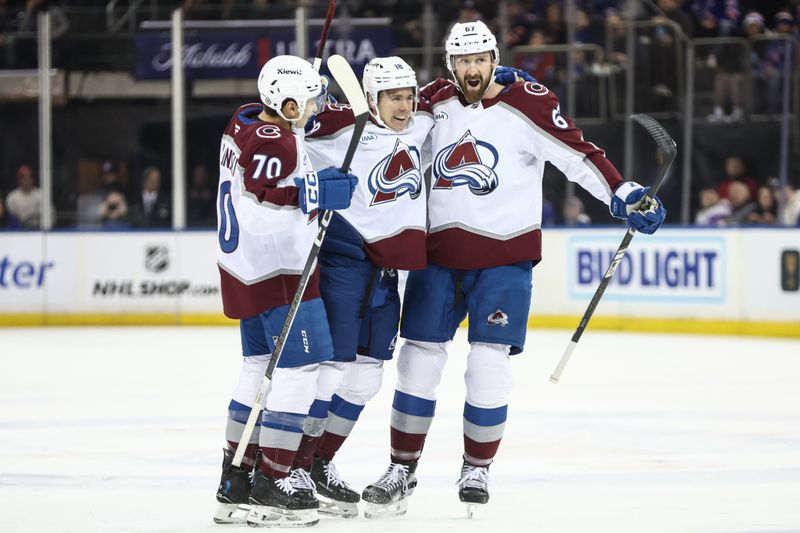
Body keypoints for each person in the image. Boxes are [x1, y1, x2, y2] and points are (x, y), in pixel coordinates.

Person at [359, 20, 666, 518]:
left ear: (494, 57)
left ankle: (476, 467)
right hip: (437, 256)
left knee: (488, 364)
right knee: (418, 362)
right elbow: (384, 121)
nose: (472, 68)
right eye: (463, 61)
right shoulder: (432, 100)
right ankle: (401, 470)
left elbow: (578, 154)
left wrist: (622, 191)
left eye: (480, 59)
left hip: (504, 259)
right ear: (450, 64)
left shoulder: (529, 102)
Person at [211, 55, 357, 528]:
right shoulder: (277, 142)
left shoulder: (244, 120)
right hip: (278, 273)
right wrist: (311, 194)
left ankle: (235, 477)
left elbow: (260, 172)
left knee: (257, 367)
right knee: (302, 371)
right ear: (288, 103)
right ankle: (272, 482)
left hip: (241, 271)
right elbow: (255, 208)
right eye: (310, 100)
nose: (317, 107)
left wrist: (301, 107)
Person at [289, 56, 434, 518]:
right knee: (330, 370)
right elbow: (285, 147)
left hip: (388, 272)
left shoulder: (421, 122)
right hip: (344, 263)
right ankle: (292, 464)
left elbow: (454, 98)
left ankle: (320, 462)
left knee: (367, 376)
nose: (405, 105)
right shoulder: (336, 127)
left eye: (409, 95)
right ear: (371, 98)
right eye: (394, 97)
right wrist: (299, 112)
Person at [5, 164, 42, 228]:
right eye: (23, 177)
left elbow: (51, 216)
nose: (26, 180)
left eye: (29, 177)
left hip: (40, 229)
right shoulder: (12, 197)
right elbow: (13, 219)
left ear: (32, 179)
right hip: (20, 232)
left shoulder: (41, 195)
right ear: (19, 180)